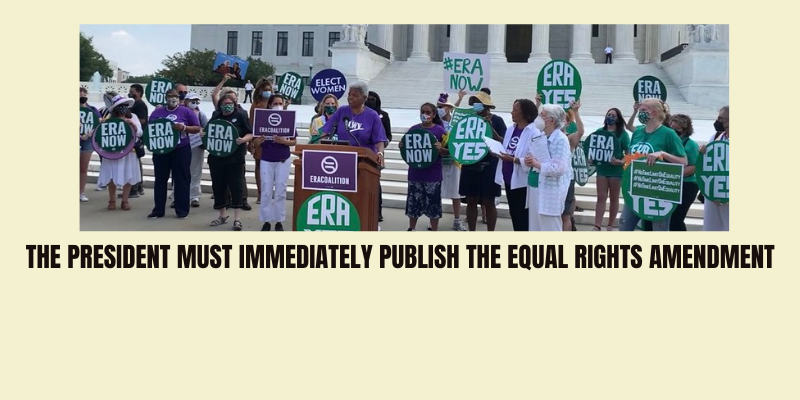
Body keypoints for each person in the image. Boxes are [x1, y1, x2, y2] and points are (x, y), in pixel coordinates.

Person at [320, 82, 387, 229]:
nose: (350, 98)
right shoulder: (342, 112)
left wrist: (380, 153)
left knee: (363, 198)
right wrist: (316, 144)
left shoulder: (372, 115)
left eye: (354, 95)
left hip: (365, 164)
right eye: (349, 95)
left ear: (364, 98)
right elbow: (325, 133)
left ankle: (367, 224)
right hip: (342, 163)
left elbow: (380, 140)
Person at [619, 98, 688, 231]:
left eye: (643, 110)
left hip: (658, 190)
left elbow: (683, 161)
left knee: (659, 230)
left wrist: (662, 153)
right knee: (624, 226)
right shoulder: (638, 132)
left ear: (654, 113)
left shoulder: (668, 133)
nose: (640, 113)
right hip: (635, 188)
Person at [147, 89, 202, 219]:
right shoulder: (157, 112)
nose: (173, 98)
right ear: (165, 98)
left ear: (179, 98)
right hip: (162, 150)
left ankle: (182, 210)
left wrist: (184, 128)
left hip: (181, 149)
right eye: (170, 96)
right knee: (160, 179)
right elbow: (149, 130)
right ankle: (158, 210)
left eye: (176, 96)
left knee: (181, 179)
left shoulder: (186, 111)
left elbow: (197, 128)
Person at [84, 95, 142, 211]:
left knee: (128, 175)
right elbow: (96, 132)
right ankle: (112, 200)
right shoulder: (107, 119)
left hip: (129, 152)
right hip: (112, 152)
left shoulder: (133, 117)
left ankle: (125, 201)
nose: (123, 108)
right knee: (111, 176)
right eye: (120, 106)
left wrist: (133, 126)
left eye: (125, 105)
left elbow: (140, 133)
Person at [459, 91, 506, 231]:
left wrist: (491, 128)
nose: (475, 105)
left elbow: (504, 143)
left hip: (489, 166)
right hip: (470, 164)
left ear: (486, 106)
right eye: (473, 103)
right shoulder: (468, 119)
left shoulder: (497, 120)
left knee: (488, 201)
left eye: (478, 103)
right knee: (471, 200)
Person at [208, 92, 253, 231]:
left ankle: (237, 219)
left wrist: (244, 140)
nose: (226, 106)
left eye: (229, 104)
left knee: (236, 187)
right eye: (224, 104)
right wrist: (204, 133)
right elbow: (208, 130)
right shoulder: (216, 115)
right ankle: (221, 216)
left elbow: (250, 133)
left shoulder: (241, 115)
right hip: (217, 158)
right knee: (218, 187)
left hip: (235, 158)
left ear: (234, 104)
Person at [523, 105, 572, 231]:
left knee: (550, 229)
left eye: (542, 115)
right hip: (535, 186)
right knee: (535, 228)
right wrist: (530, 161)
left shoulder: (561, 140)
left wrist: (536, 163)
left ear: (551, 120)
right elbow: (534, 158)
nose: (539, 117)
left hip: (550, 192)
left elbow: (558, 168)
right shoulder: (540, 136)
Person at [399, 103, 447, 231]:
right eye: (423, 112)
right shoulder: (413, 129)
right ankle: (412, 228)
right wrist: (402, 146)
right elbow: (407, 150)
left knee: (433, 205)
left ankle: (434, 230)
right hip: (415, 174)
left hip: (433, 175)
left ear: (434, 115)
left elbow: (448, 152)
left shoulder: (440, 130)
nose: (424, 115)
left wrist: (440, 148)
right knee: (413, 203)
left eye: (428, 112)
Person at [494, 99, 539, 231]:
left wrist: (513, 159)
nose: (511, 112)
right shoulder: (510, 129)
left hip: (523, 183)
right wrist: (497, 152)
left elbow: (533, 159)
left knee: (523, 217)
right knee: (514, 214)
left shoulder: (534, 132)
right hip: (509, 179)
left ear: (525, 114)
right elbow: (507, 149)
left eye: (515, 110)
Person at [259, 94, 297, 232]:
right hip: (267, 158)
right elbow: (255, 141)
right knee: (266, 190)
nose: (278, 105)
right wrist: (259, 140)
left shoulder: (288, 119)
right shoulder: (262, 119)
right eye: (275, 103)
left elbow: (294, 141)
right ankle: (266, 220)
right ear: (269, 105)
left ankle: (279, 221)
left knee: (281, 190)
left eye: (280, 103)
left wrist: (284, 142)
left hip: (283, 159)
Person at [590, 108, 630, 231]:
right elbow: (592, 149)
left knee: (614, 197)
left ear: (618, 119)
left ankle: (610, 224)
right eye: (608, 114)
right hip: (602, 169)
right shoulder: (599, 132)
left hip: (616, 171)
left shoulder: (623, 134)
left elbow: (628, 154)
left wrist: (621, 162)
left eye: (613, 115)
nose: (610, 117)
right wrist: (591, 159)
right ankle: (597, 224)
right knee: (601, 197)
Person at [435, 93, 466, 231]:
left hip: (454, 162)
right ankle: (434, 219)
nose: (440, 109)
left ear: (448, 108)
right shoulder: (436, 124)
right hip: (439, 161)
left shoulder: (456, 123)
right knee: (437, 192)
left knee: (456, 192)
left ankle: (457, 220)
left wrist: (459, 98)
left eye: (442, 107)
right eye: (438, 107)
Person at [668, 114, 701, 231]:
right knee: (669, 219)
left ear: (684, 130)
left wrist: (674, 175)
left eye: (676, 128)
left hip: (687, 185)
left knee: (676, 219)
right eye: (670, 127)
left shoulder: (690, 145)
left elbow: (694, 166)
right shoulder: (669, 142)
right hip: (671, 184)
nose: (672, 130)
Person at [248, 77, 277, 205]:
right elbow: (251, 123)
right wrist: (251, 141)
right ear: (260, 90)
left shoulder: (274, 103)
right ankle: (260, 193)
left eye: (270, 90)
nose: (268, 92)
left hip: (274, 139)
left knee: (273, 167)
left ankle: (269, 192)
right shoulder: (255, 105)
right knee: (259, 165)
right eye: (265, 90)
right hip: (259, 138)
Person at [700, 106, 729, 231]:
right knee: (711, 227)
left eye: (723, 119)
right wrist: (703, 153)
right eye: (718, 118)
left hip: (728, 192)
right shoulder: (716, 137)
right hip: (714, 190)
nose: (719, 122)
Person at [366, 91, 392, 222]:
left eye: (373, 99)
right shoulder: (361, 115)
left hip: (377, 153)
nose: (370, 101)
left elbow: (388, 134)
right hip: (362, 152)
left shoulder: (383, 115)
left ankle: (378, 211)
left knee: (376, 183)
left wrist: (383, 144)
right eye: (368, 99)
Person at [184, 92, 208, 208]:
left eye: (196, 101)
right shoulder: (181, 113)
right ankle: (178, 195)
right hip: (182, 146)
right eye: (191, 101)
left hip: (196, 145)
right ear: (186, 101)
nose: (194, 103)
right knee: (180, 171)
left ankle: (194, 196)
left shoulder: (201, 115)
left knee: (196, 171)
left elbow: (206, 128)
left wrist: (202, 132)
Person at [79, 87, 101, 202]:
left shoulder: (92, 109)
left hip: (87, 141)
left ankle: (81, 192)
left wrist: (90, 133)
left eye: (84, 95)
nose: (82, 96)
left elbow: (98, 122)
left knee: (83, 168)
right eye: (79, 95)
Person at [127, 84, 148, 198]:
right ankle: (138, 187)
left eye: (132, 91)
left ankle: (134, 188)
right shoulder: (136, 104)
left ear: (139, 92)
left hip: (137, 137)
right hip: (136, 137)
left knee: (134, 162)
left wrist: (131, 120)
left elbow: (143, 120)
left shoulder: (139, 104)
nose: (130, 93)